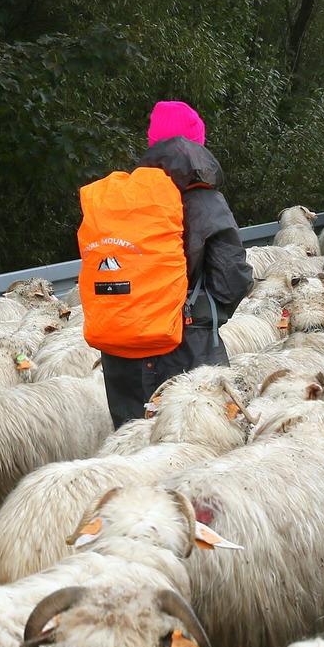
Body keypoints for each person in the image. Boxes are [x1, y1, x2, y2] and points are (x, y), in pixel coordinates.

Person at [96, 101, 254, 428]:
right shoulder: (204, 199)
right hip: (186, 345)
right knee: (198, 444)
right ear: (198, 144)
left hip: (122, 348)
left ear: (151, 143)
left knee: (133, 442)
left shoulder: (121, 198)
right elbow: (232, 279)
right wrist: (198, 316)